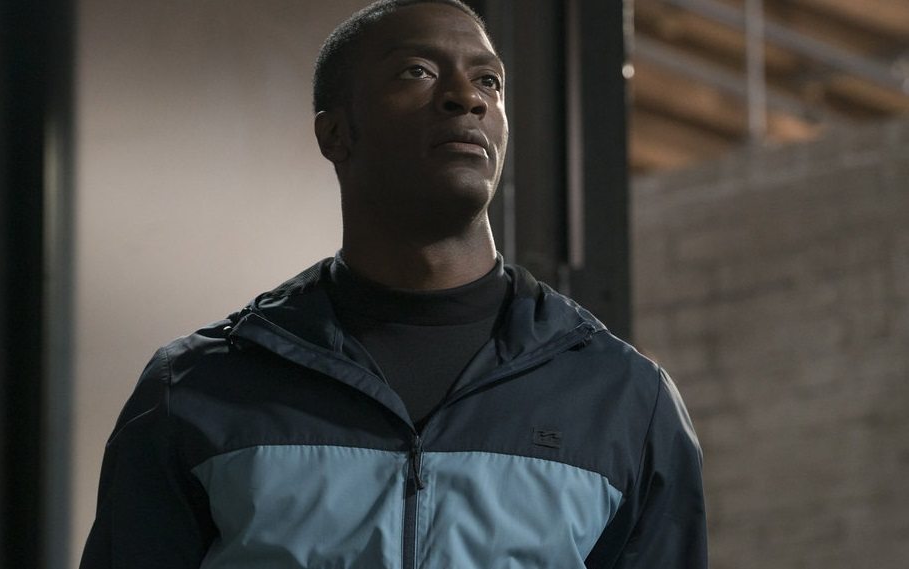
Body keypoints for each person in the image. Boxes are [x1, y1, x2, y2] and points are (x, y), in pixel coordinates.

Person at [80, 1, 707, 567]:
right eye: (418, 71)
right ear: (335, 133)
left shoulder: (623, 398)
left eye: (488, 80)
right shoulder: (197, 388)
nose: (467, 98)